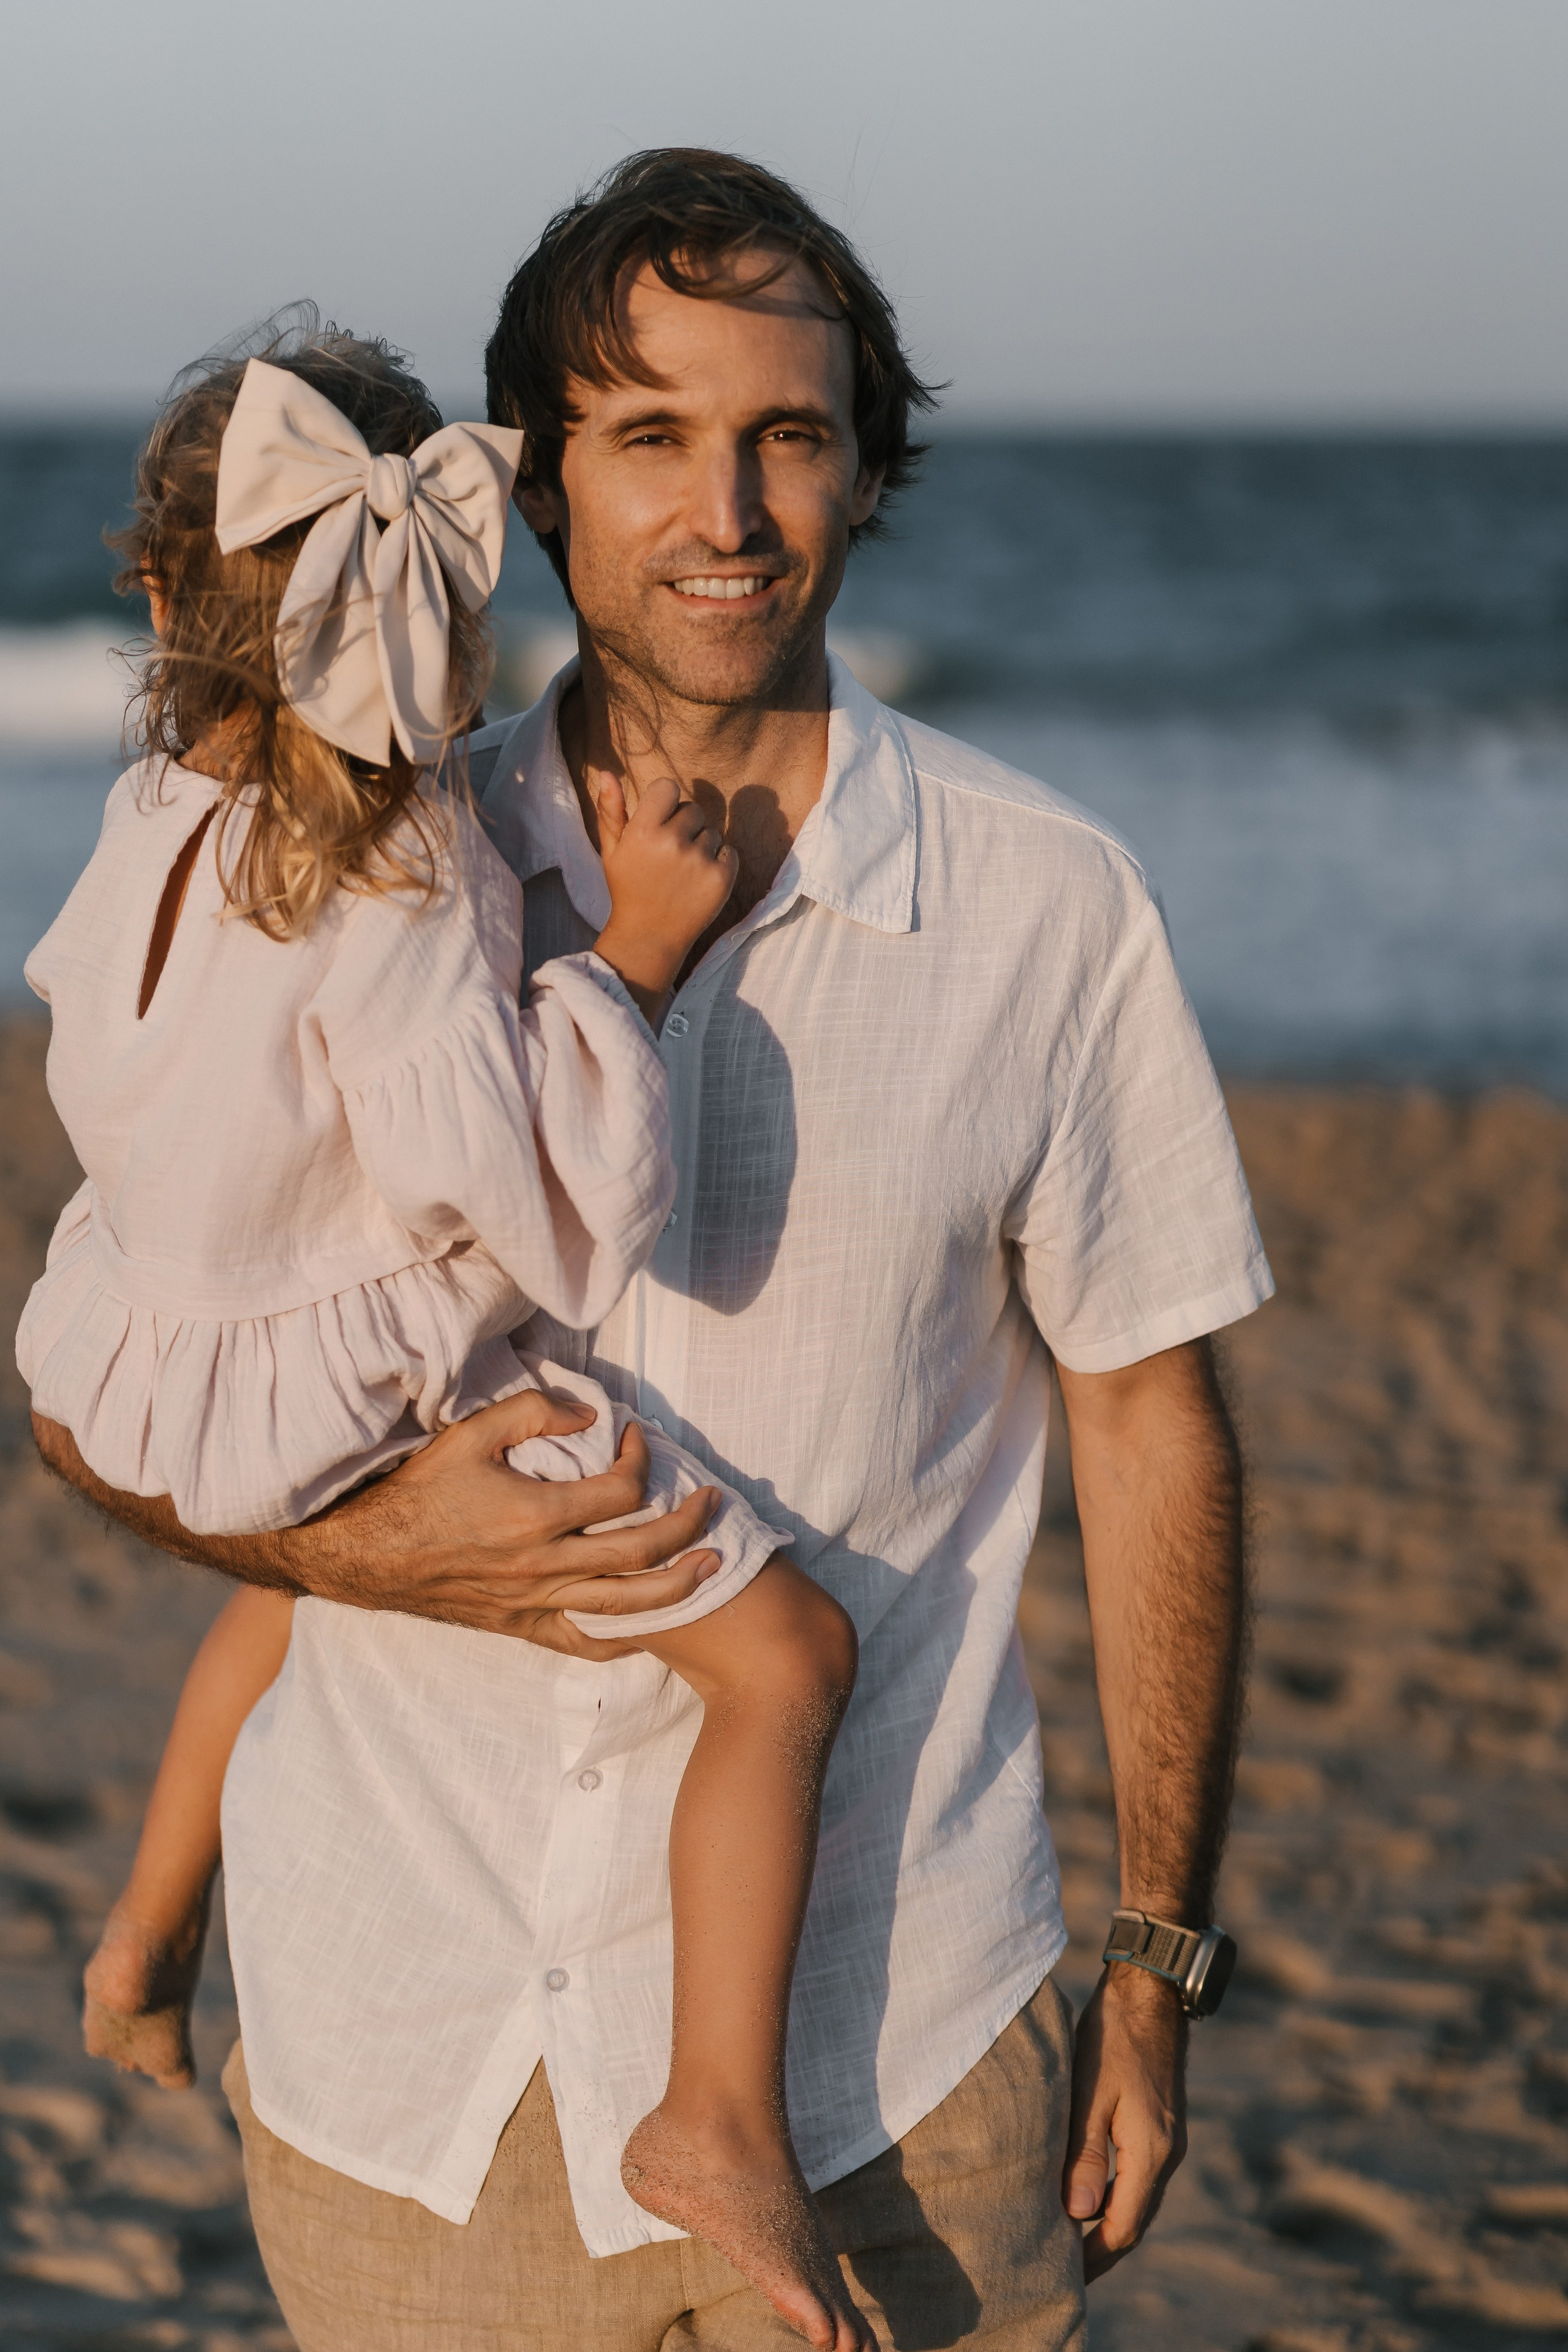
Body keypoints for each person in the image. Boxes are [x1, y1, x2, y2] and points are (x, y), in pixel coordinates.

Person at [34, 151, 1273, 2351]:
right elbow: (124, 1382)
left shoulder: (1052, 908)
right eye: (651, 435)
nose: (728, 509)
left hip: (893, 2072)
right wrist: (350, 1558)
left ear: (868, 474)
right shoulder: (344, 862)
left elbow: (1149, 1412)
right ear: (529, 485)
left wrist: (1160, 1965)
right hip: (400, 2081)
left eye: (790, 434)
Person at [18, 323, 877, 2351]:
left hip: (159, 1339)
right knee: (786, 1662)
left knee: (307, 1588)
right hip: (350, 1363)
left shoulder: (164, 800)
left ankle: (143, 1931)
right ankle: (718, 2113)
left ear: (157, 593)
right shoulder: (394, 856)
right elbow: (542, 1206)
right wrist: (637, 957)